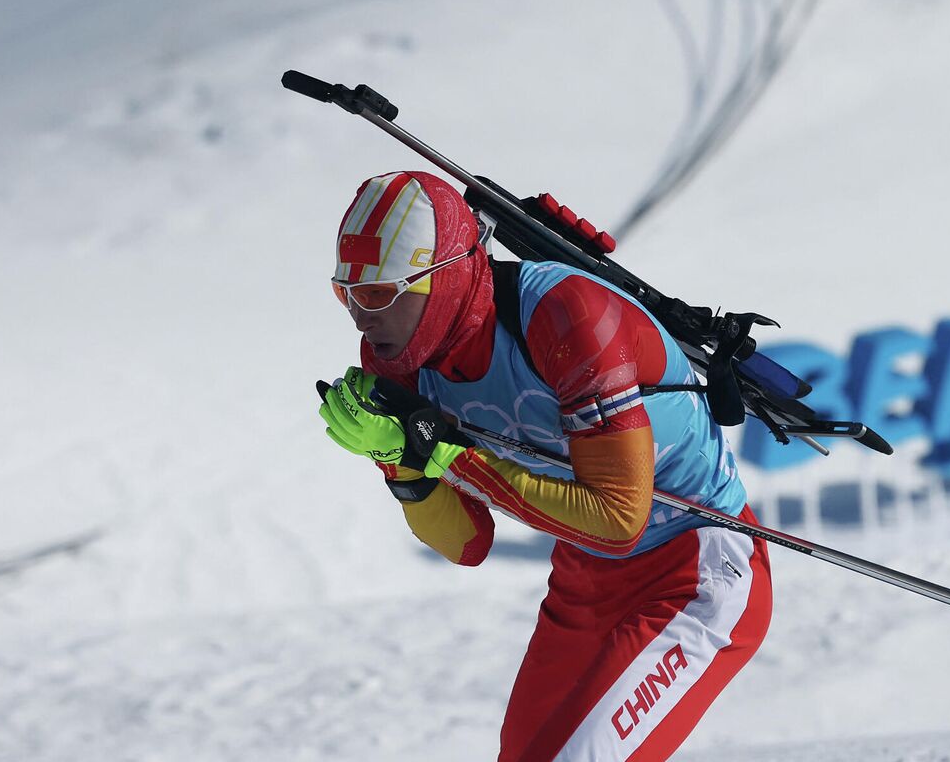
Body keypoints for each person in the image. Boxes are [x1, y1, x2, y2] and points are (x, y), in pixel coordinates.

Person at [316, 170, 772, 761]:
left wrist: (443, 455)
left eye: (378, 293)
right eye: (345, 293)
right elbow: (467, 543)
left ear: (444, 277)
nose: (358, 315)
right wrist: (399, 462)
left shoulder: (567, 314)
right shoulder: (396, 360)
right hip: (585, 577)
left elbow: (618, 518)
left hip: (695, 567)